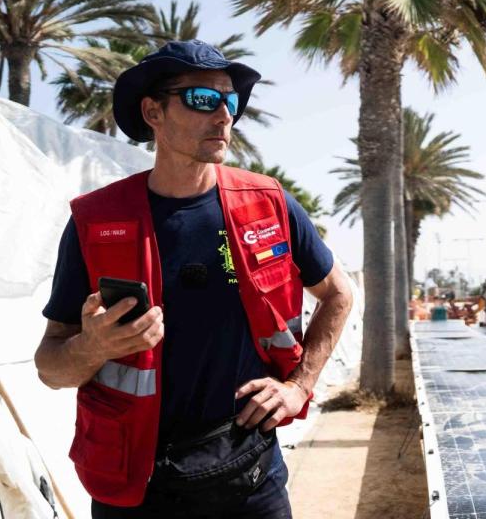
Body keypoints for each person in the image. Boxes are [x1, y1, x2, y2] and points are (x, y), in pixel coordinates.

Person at [33, 40, 353, 518]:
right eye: (204, 99)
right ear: (152, 112)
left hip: (249, 479)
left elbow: (339, 296)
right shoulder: (96, 222)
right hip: (136, 489)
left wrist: (299, 386)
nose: (223, 115)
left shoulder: (269, 204)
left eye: (231, 101)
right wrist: (93, 347)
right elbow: (49, 366)